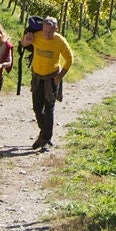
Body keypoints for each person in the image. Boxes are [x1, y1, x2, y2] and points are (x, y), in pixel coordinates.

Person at [25, 15, 74, 152]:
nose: (46, 34)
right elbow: (24, 44)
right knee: (36, 108)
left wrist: (59, 77)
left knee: (49, 109)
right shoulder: (37, 35)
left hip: (51, 79)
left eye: (50, 32)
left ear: (56, 29)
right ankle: (44, 133)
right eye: (45, 31)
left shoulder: (60, 41)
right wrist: (25, 41)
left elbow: (70, 59)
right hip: (37, 77)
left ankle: (46, 138)